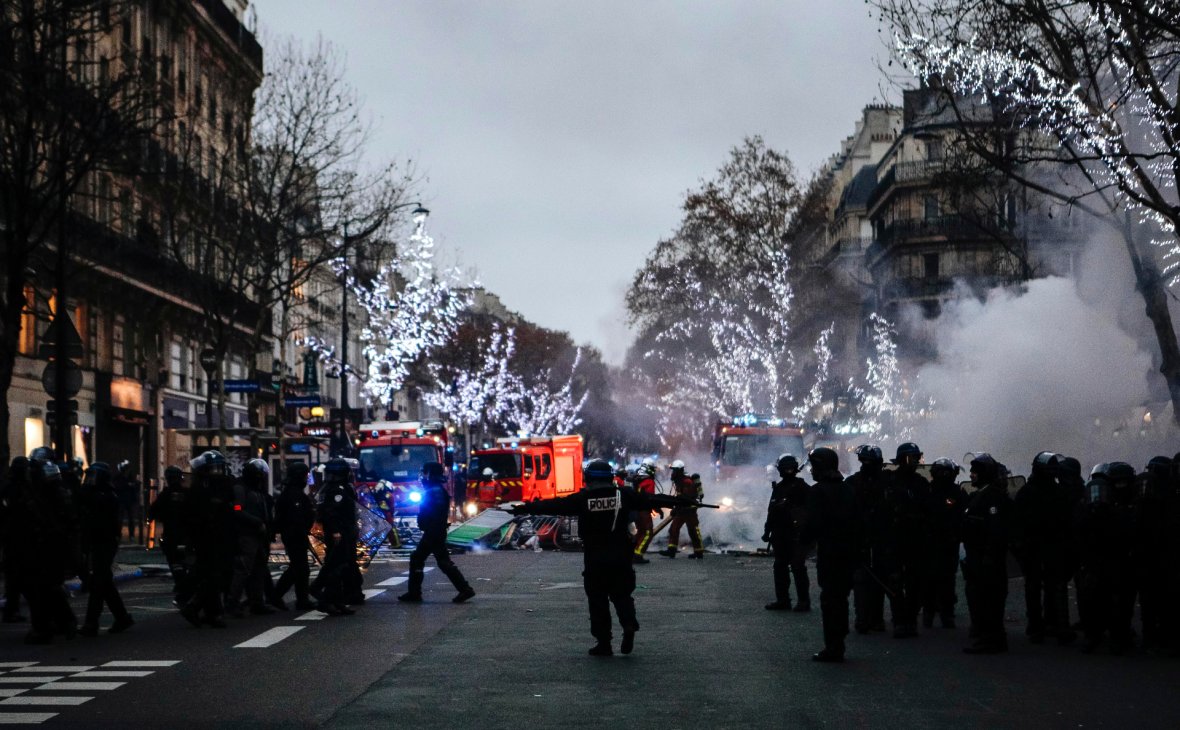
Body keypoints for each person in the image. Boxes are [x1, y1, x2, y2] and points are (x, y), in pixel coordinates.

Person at [509, 459, 696, 656]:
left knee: (598, 600)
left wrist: (524, 508)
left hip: (595, 556)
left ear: (588, 478)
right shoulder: (623, 495)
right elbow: (651, 499)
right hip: (621, 555)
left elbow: (554, 505)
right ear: (610, 477)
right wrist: (681, 501)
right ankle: (629, 624)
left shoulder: (582, 499)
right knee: (622, 595)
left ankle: (604, 643)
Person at [800, 447, 857, 662]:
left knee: (830, 600)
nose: (812, 471)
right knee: (840, 599)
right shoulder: (848, 489)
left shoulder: (818, 492)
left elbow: (812, 525)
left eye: (814, 466)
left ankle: (833, 646)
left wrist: (803, 545)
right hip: (848, 553)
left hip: (831, 554)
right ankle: (838, 642)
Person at [1074, 462, 1138, 654]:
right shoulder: (1122, 507)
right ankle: (1118, 637)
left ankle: (1094, 635)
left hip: (1097, 559)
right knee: (1119, 600)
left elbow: (1079, 530)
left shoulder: (1090, 505)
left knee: (1096, 598)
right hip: (1116, 559)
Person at [1012, 451, 1074, 645]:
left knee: (1039, 586)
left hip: (1042, 546)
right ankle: (1050, 625)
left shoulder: (1030, 492)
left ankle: (1040, 625)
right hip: (1042, 546)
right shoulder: (1055, 492)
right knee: (1049, 585)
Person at [21, 451, 79, 644]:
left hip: (50, 543)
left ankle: (50, 626)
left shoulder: (49, 492)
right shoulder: (44, 490)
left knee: (44, 586)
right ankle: (56, 623)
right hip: (47, 543)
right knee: (44, 586)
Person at [399, 462, 475, 604]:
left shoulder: (435, 491)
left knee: (441, 561)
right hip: (433, 531)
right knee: (419, 558)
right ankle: (414, 593)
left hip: (434, 532)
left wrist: (428, 524)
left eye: (425, 473)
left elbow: (435, 512)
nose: (423, 476)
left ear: (430, 474)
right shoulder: (434, 490)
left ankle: (465, 589)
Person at [961, 453, 1013, 654]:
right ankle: (987, 637)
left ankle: (992, 639)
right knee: (980, 598)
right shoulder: (980, 495)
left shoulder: (992, 498)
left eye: (975, 472)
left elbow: (995, 530)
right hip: (977, 557)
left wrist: (988, 557)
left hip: (987, 559)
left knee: (989, 599)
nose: (972, 475)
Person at [179, 450, 234, 629]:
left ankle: (208, 611)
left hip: (217, 537)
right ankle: (198, 608)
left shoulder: (214, 486)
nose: (218, 472)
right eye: (214, 468)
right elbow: (195, 516)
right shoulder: (200, 489)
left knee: (211, 576)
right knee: (213, 576)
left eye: (219, 468)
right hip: (208, 539)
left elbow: (231, 507)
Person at [881, 442, 931, 638]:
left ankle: (910, 619)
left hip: (915, 538)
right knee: (894, 581)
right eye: (912, 458)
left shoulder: (920, 483)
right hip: (895, 537)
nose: (916, 462)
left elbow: (929, 509)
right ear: (902, 459)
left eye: (917, 458)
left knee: (915, 582)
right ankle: (899, 619)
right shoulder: (890, 481)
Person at [78, 462, 134, 636]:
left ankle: (91, 623)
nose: (90, 480)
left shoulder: (106, 496)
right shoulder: (98, 494)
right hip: (97, 542)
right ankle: (122, 617)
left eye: (93, 476)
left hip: (105, 542)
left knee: (98, 582)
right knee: (105, 582)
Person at [845, 444, 888, 634]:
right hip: (866, 538)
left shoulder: (855, 482)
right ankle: (869, 619)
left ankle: (869, 619)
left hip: (878, 538)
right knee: (869, 580)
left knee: (873, 580)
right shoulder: (855, 483)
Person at [225, 459, 275, 617]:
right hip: (247, 535)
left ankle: (257, 602)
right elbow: (237, 509)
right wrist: (256, 522)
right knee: (243, 570)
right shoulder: (241, 489)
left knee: (259, 569)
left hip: (258, 535)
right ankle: (233, 603)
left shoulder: (255, 489)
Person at [763, 454, 812, 611]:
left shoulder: (802, 487)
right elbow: (772, 511)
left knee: (797, 567)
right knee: (780, 567)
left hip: (796, 533)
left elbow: (810, 511)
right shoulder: (779, 488)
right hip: (780, 533)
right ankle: (783, 600)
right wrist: (767, 530)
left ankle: (803, 601)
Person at [922, 458, 966, 628]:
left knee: (941, 579)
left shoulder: (953, 492)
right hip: (936, 543)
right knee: (937, 579)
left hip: (944, 543)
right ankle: (935, 613)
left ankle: (938, 613)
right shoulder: (930, 491)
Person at [315, 458, 361, 616]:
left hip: (344, 532)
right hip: (340, 533)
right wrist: (335, 531)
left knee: (341, 566)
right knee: (337, 567)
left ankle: (337, 601)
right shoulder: (337, 490)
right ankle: (326, 601)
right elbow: (331, 512)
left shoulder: (337, 488)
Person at [273, 462, 317, 610]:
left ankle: (299, 599)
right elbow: (295, 518)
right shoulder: (293, 495)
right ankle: (281, 597)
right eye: (305, 476)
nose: (307, 479)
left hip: (296, 535)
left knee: (299, 568)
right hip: (294, 535)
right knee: (299, 568)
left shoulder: (292, 493)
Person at [150, 465, 193, 600]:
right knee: (185, 560)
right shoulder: (187, 493)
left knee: (174, 561)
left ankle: (181, 583)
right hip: (187, 533)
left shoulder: (165, 495)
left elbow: (153, 512)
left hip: (171, 534)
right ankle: (184, 583)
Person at [659, 463, 704, 559]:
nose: (673, 472)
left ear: (679, 470)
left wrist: (676, 508)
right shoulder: (679, 481)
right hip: (681, 510)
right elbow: (680, 497)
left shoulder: (686, 481)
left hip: (689, 510)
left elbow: (686, 498)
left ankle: (699, 551)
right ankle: (671, 550)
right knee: (673, 529)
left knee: (693, 531)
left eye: (674, 470)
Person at [631, 460, 659, 564]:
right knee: (648, 533)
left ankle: (633, 553)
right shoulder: (649, 481)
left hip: (636, 511)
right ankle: (638, 555)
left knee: (641, 532)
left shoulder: (638, 479)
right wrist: (657, 508)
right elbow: (649, 498)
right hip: (644, 511)